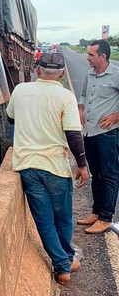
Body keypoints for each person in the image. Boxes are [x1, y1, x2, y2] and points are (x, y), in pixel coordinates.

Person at [6, 52, 89, 286]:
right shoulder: (65, 96)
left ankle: (63, 267)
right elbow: (73, 134)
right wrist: (82, 165)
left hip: (27, 166)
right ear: (62, 74)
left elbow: (11, 118)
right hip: (55, 167)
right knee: (63, 218)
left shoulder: (21, 90)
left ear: (38, 71)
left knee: (43, 220)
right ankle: (65, 262)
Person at [77, 39, 119, 234]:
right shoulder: (89, 74)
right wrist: (81, 110)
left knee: (109, 175)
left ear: (103, 56)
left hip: (107, 134)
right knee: (97, 174)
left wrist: (117, 116)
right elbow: (83, 95)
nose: (87, 57)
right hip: (90, 131)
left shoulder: (116, 74)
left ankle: (106, 217)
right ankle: (96, 212)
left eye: (91, 54)